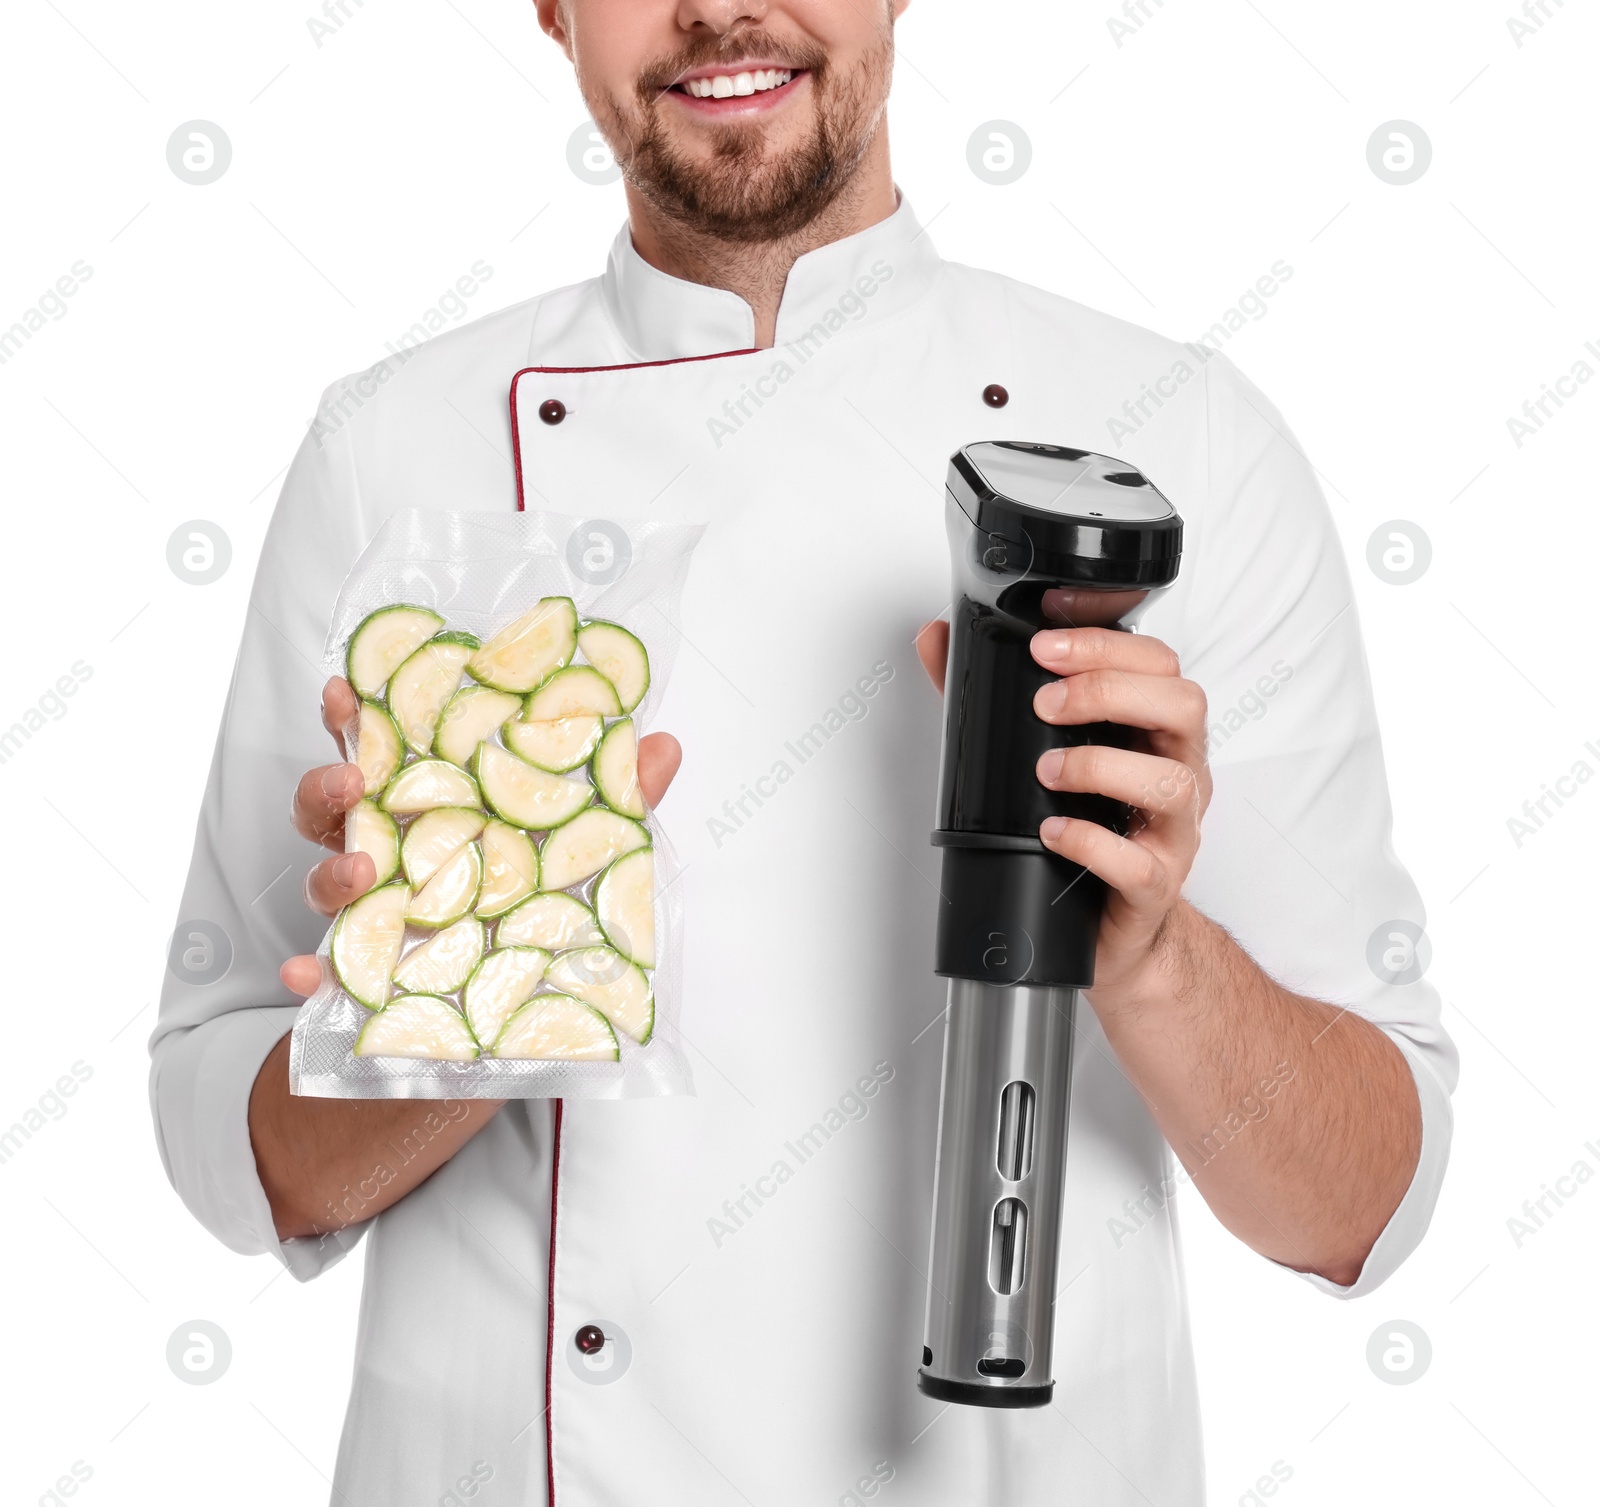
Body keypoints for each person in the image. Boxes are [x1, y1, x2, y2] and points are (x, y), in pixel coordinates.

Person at [150, 0, 1457, 1501]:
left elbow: (1369, 1199)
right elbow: (220, 1146)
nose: (723, 7)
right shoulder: (394, 449)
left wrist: (1155, 956)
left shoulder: (1180, 444)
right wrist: (486, 1001)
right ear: (552, 9)